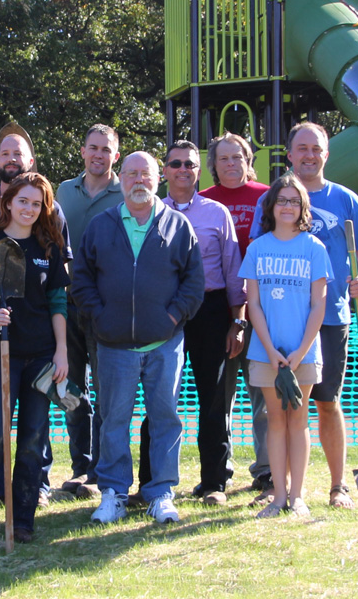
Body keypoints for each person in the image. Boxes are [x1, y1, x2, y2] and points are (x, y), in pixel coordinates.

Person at [249, 122, 358, 510]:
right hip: (278, 321)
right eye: (301, 148)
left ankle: (337, 487)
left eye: (316, 148)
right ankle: (279, 488)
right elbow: (259, 249)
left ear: (326, 154)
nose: (309, 155)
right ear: (289, 154)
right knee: (279, 408)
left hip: (331, 318)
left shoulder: (346, 199)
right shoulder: (271, 200)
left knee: (326, 401)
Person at [71, 152, 204, 525]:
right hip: (113, 346)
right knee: (114, 420)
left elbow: (194, 283)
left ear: (157, 179)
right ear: (122, 179)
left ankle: (161, 492)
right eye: (131, 174)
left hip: (165, 343)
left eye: (145, 174)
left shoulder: (178, 226)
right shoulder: (101, 225)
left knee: (165, 419)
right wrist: (101, 317)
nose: (138, 181)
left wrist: (172, 317)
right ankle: (113, 492)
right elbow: (81, 280)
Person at [0, 173, 70, 544]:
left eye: (37, 204)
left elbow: (57, 302)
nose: (29, 209)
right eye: (23, 201)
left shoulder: (47, 247)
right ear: (9, 203)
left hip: (39, 357)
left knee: (34, 437)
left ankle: (22, 518)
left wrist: (62, 351)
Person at [137, 140, 244, 505]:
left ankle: (214, 482)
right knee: (159, 397)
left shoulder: (217, 214)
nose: (183, 170)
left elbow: (233, 273)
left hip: (212, 312)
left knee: (213, 400)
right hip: (164, 312)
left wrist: (237, 322)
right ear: (164, 171)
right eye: (176, 164)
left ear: (199, 171)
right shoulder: (148, 213)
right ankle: (150, 483)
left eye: (191, 165)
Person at [240, 174, 331, 518]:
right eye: (282, 200)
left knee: (299, 420)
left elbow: (318, 305)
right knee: (275, 421)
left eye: (295, 201)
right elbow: (254, 305)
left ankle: (297, 497)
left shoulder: (314, 248)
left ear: (303, 207)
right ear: (271, 206)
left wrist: (300, 352)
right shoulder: (258, 248)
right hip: (266, 353)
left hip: (303, 353)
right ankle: (277, 496)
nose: (288, 206)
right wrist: (271, 350)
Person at [199, 132, 271, 494]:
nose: (231, 163)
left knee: (262, 393)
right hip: (217, 313)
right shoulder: (204, 202)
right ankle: (219, 472)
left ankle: (267, 470)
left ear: (248, 160)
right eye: (224, 158)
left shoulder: (266, 197)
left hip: (262, 310)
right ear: (213, 165)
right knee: (219, 397)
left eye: (238, 157)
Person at [54, 124, 123, 496]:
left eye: (106, 149)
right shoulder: (64, 191)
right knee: (69, 387)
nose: (98, 155)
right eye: (93, 148)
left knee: (107, 389)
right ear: (83, 151)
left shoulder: (123, 191)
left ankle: (101, 465)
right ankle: (81, 466)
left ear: (116, 154)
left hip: (105, 307)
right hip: (66, 305)